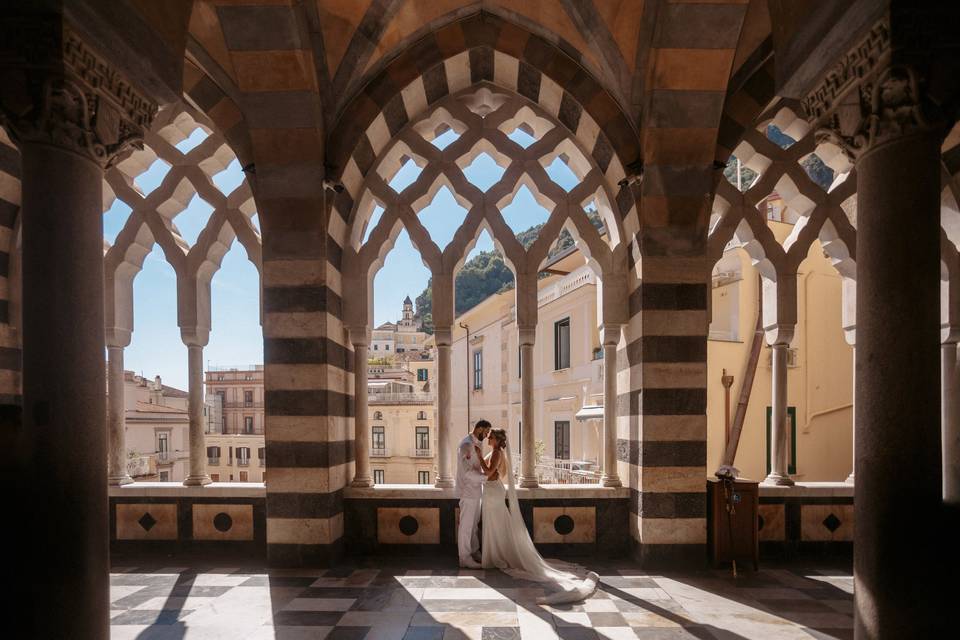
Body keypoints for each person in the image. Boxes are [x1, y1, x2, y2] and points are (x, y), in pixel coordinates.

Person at [476, 428, 599, 604]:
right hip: (491, 492)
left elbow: (488, 472)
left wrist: (479, 455)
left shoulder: (496, 452)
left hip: (493, 493)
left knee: (497, 524)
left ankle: (497, 556)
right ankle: (496, 555)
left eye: (491, 436)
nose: (488, 438)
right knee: (496, 524)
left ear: (497, 439)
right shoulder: (496, 451)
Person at [455, 419, 491, 568]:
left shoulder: (478, 443)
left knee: (475, 524)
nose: (488, 435)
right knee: (466, 525)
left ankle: (475, 551)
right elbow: (467, 472)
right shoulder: (466, 444)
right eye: (487, 431)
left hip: (477, 491)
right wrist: (487, 478)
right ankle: (464, 557)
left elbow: (477, 465)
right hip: (468, 492)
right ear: (479, 429)